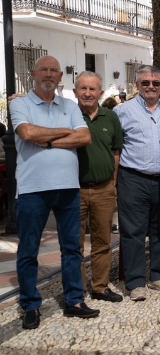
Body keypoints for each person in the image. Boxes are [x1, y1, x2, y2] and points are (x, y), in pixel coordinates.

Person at [12, 56, 97, 329]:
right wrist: (63, 132)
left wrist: (45, 140)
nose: (48, 74)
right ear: (33, 73)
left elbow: (84, 138)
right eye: (43, 70)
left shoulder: (70, 106)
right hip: (32, 190)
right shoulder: (19, 104)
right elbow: (26, 133)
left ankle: (74, 300)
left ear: (61, 76)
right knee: (28, 250)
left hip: (68, 188)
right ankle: (30, 305)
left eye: (53, 71)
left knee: (72, 248)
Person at [115, 65, 160, 301]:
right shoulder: (123, 111)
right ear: (137, 85)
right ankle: (136, 282)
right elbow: (116, 148)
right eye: (146, 83)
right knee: (133, 232)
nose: (151, 87)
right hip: (133, 179)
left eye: (156, 83)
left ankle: (159, 276)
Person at [75, 72, 124, 303]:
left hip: (104, 188)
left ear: (100, 93)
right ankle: (76, 291)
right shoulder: (68, 114)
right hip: (73, 190)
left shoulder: (111, 118)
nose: (87, 93)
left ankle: (100, 287)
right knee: (73, 244)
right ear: (76, 92)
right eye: (83, 88)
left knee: (102, 241)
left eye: (92, 89)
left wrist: (113, 184)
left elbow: (116, 153)